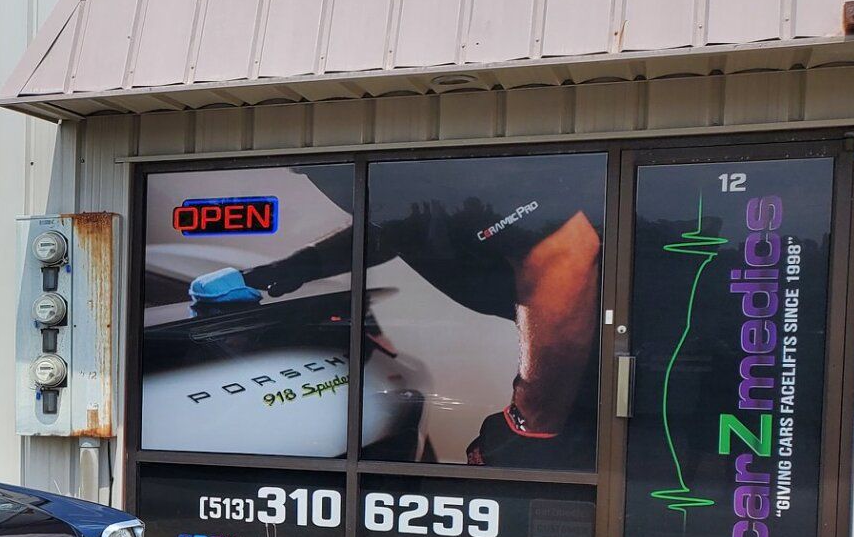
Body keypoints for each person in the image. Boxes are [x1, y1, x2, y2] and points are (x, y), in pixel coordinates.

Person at [240, 161, 603, 468]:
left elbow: (564, 255)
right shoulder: (411, 179)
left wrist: (528, 420)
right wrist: (304, 264)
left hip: (601, 364)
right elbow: (397, 226)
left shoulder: (477, 170)